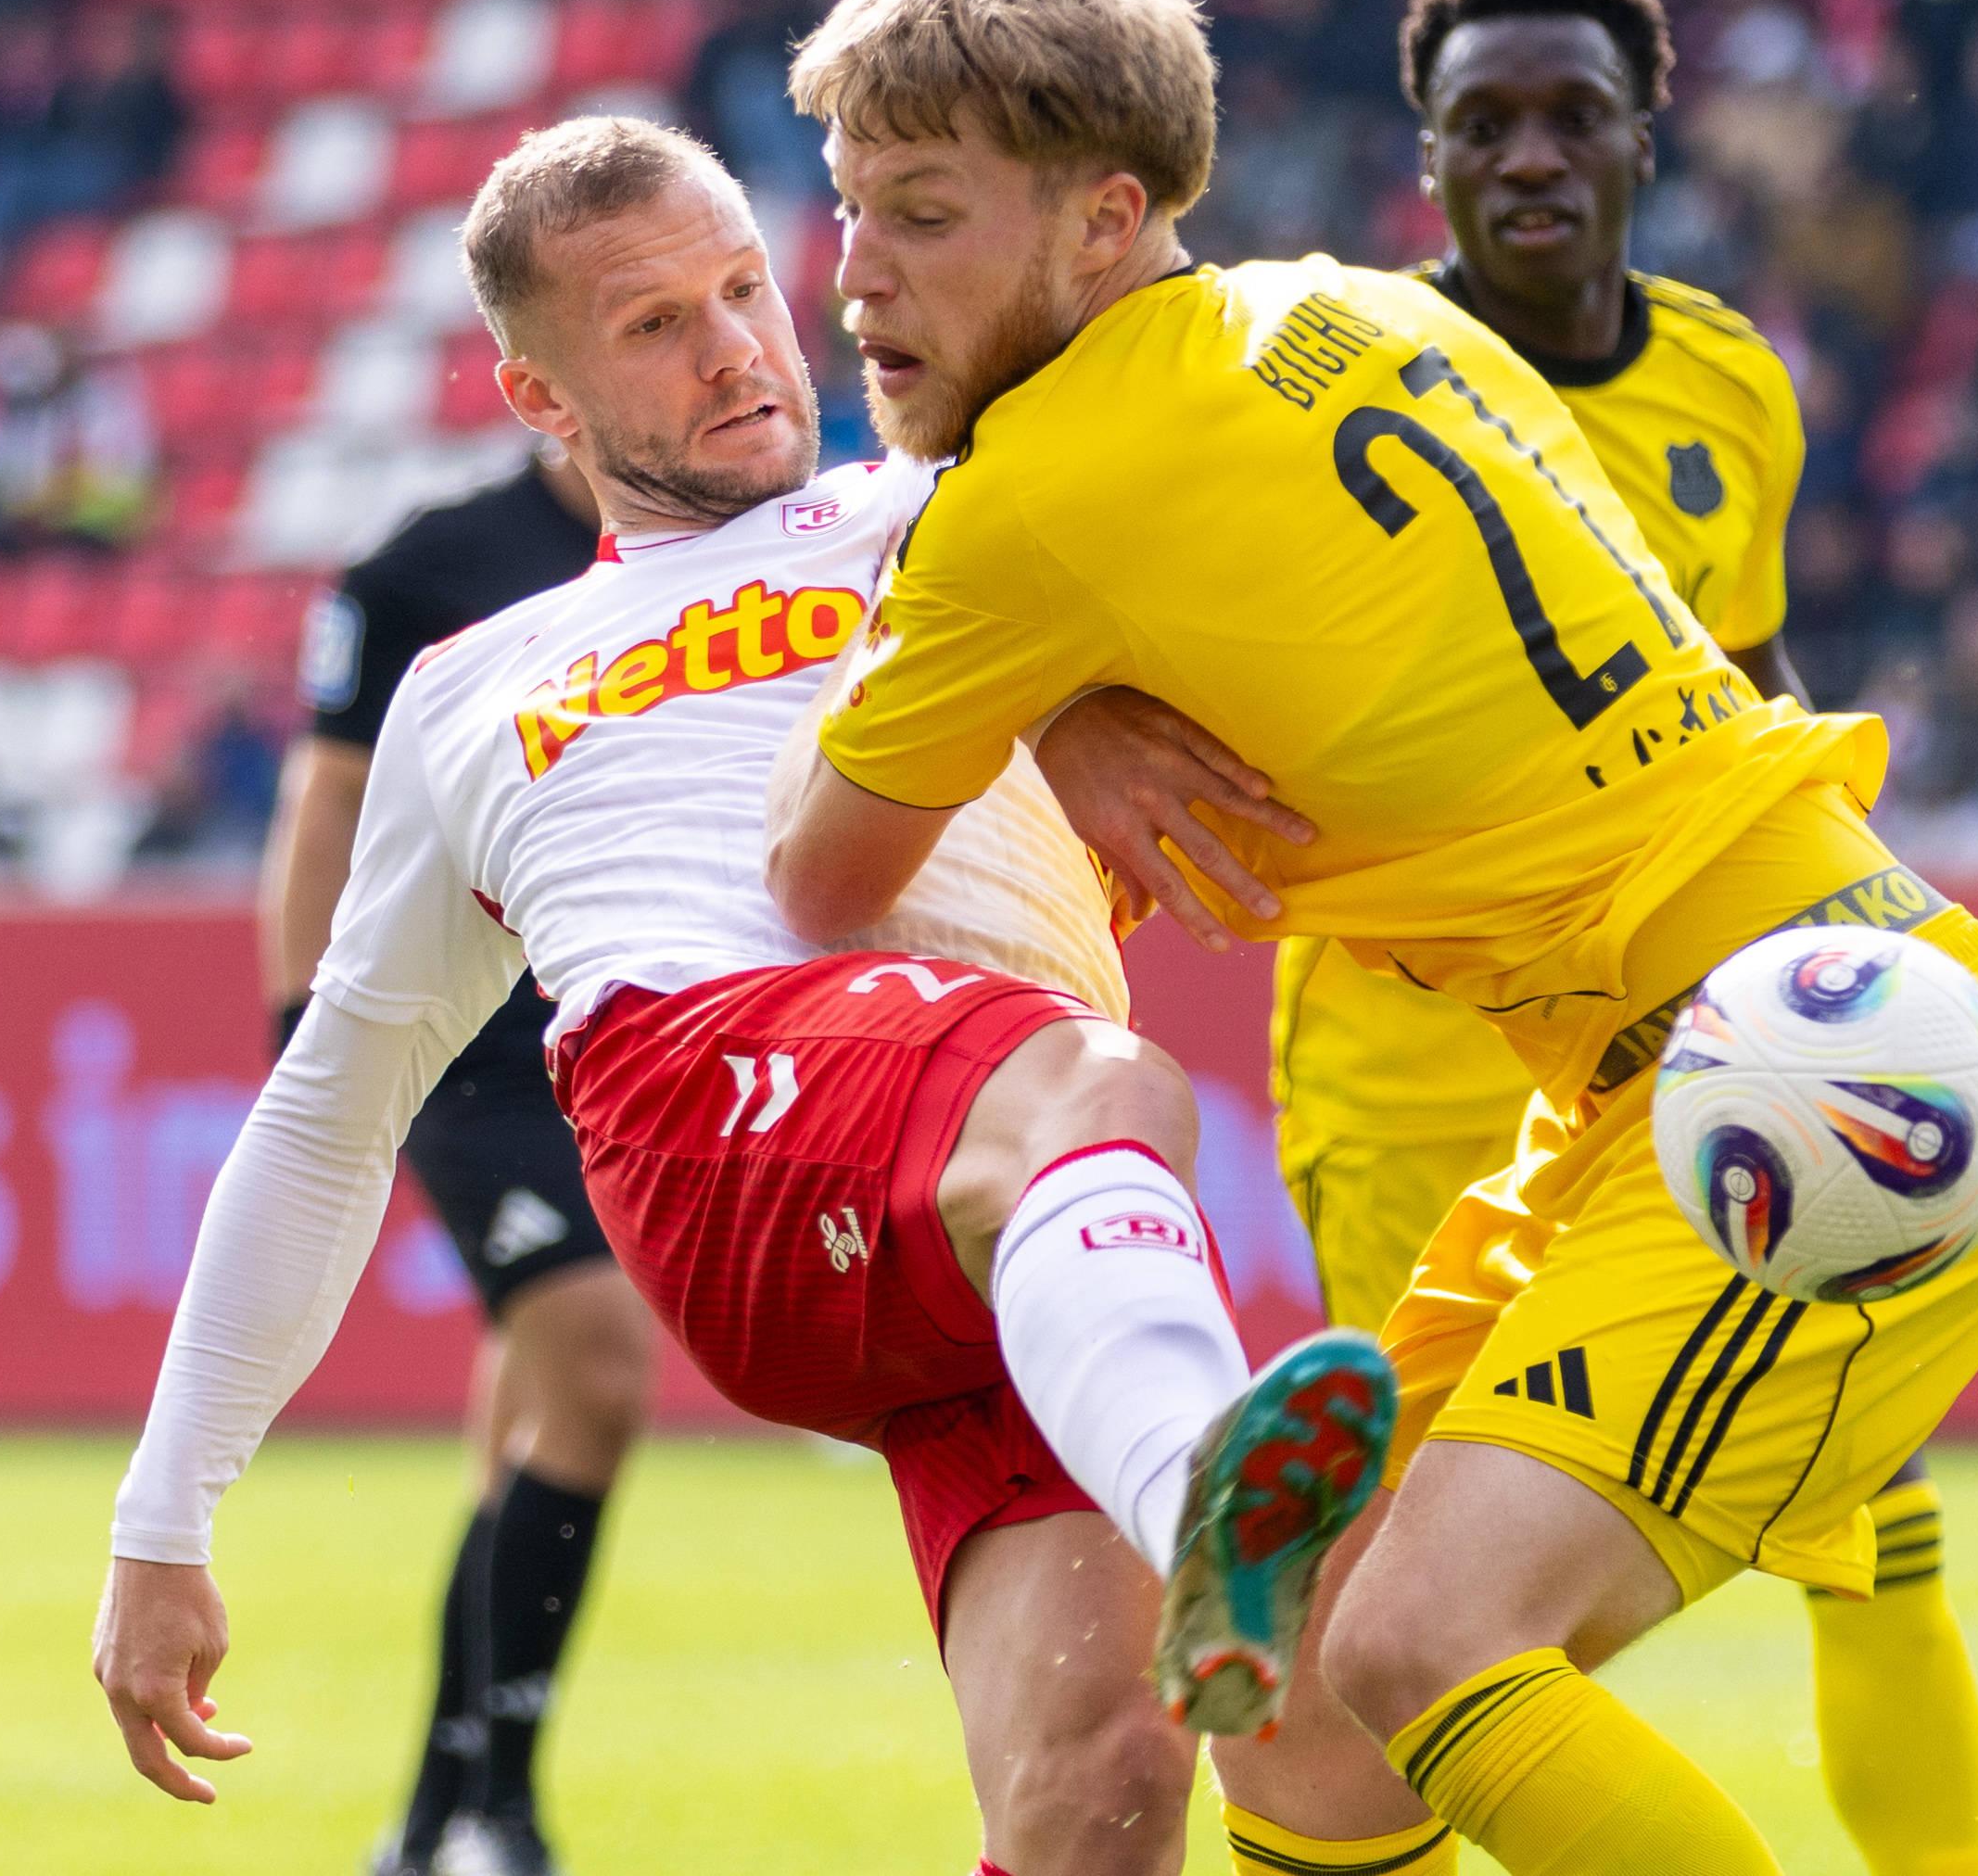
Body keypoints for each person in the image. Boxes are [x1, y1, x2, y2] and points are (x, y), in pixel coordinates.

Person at [765, 0, 1978, 1876]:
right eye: (849, 207)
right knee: (1295, 1712)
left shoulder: (1029, 505)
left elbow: (818, 879)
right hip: (1768, 1013)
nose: (854, 273)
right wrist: (1051, 688)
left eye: (924, 215)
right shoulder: (1363, 309)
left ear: (1104, 216)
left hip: (1784, 1075)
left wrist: (1029, 687)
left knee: (1431, 1643)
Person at [92, 114, 1395, 1876]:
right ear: (539, 398)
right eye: (651, 325)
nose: (731, 348)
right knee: (1109, 1086)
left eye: (739, 288)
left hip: (987, 1227)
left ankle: (1199, 1509)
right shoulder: (473, 686)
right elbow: (329, 1111)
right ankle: (1213, 1505)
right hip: (717, 1110)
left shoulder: (949, 503)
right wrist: (163, 1514)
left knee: (1097, 1785)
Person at [1248, 0, 1978, 1876]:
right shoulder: (1329, 385)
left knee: (1878, 1526)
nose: (1527, 155)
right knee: (1393, 1613)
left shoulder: (1728, 383)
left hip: (1700, 1053)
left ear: (1641, 142)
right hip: (1418, 1075)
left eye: (1569, 115)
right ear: (1423, 156)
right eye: (1480, 122)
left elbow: (1745, 691)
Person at [263, 423, 626, 1875]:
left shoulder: (732, 541)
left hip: (632, 1023)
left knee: (526, 1426)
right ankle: (504, 1809)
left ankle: (434, 1817)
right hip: (468, 1045)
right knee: (595, 1364)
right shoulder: (429, 568)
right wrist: (306, 1042)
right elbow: (328, 799)